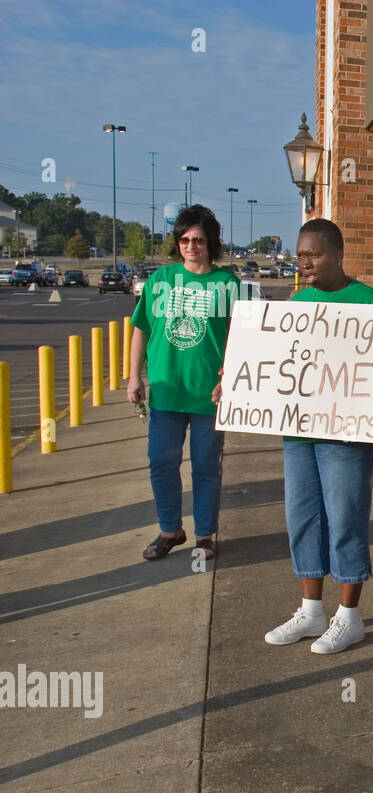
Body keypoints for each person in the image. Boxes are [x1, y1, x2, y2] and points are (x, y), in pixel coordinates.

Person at [252, 218, 373, 654]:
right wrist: (239, 377)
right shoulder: (297, 302)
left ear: (338, 254)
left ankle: (350, 617)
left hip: (346, 433)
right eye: (300, 255)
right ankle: (310, 610)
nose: (304, 262)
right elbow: (276, 364)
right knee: (301, 518)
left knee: (345, 518)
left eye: (313, 254)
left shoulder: (369, 301)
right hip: (299, 432)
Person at [128, 205, 240, 562]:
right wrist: (134, 376)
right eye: (184, 239)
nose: (191, 245)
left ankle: (205, 536)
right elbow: (141, 328)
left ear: (211, 243)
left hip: (210, 394)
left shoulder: (228, 284)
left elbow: (243, 336)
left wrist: (230, 377)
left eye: (199, 240)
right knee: (161, 462)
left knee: (206, 467)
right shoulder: (160, 281)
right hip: (166, 391)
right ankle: (170, 530)